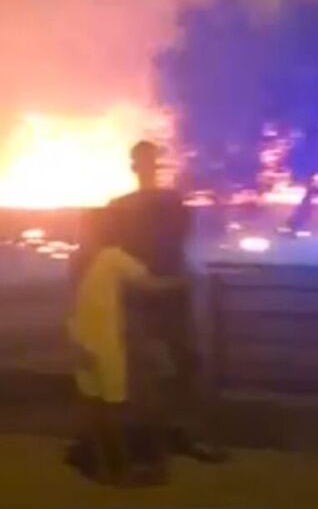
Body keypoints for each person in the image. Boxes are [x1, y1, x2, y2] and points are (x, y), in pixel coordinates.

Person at [107, 140, 226, 463]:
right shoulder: (144, 205)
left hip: (164, 294)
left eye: (150, 162)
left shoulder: (158, 204)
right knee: (149, 369)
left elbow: (173, 243)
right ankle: (158, 438)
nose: (147, 168)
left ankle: (181, 434)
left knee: (183, 363)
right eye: (144, 162)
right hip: (149, 293)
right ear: (137, 167)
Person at [68, 206, 185, 485]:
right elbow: (149, 285)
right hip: (106, 345)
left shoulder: (79, 260)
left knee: (94, 409)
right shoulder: (113, 257)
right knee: (113, 409)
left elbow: (73, 302)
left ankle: (107, 468)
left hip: (80, 342)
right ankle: (123, 470)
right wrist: (183, 282)